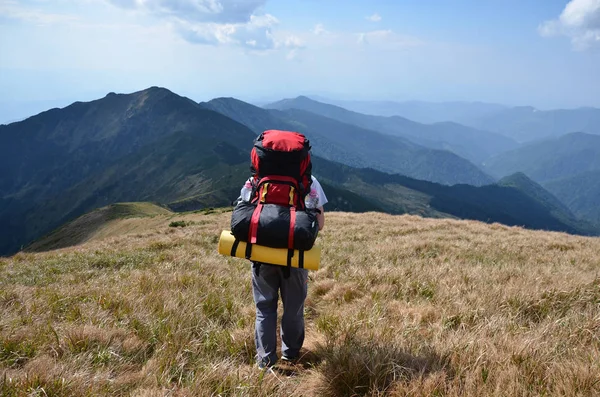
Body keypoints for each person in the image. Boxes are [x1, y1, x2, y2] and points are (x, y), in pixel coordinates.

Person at [238, 175, 328, 369]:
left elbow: (243, 215)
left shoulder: (255, 180)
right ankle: (291, 355)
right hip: (295, 258)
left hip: (261, 256)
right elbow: (319, 224)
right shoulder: (309, 181)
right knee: (294, 309)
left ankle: (265, 361)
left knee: (264, 309)